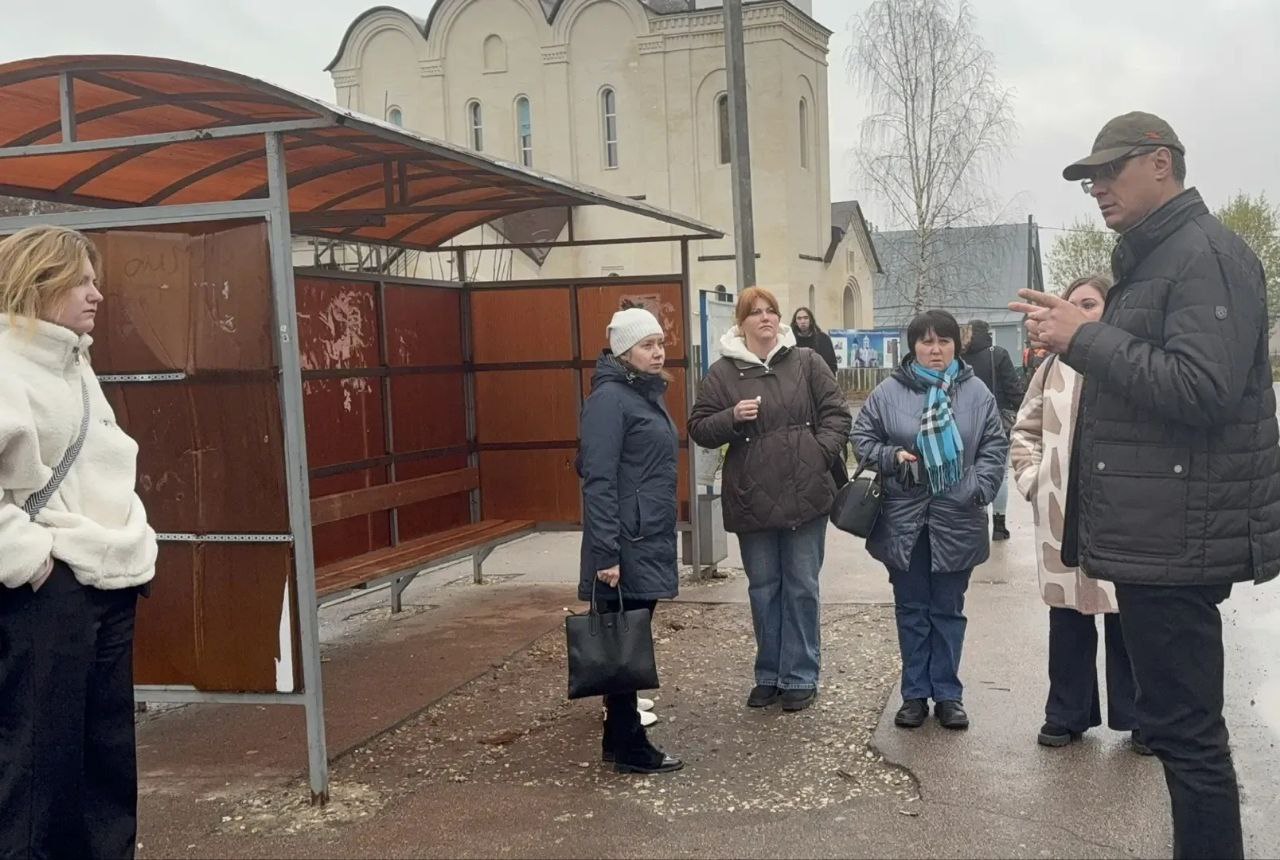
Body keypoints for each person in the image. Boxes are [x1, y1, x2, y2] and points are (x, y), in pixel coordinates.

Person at [1011, 111, 1280, 860]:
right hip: (1155, 534)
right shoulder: (1157, 258)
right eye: (1089, 176)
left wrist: (1084, 338)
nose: (1096, 187)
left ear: (1161, 163)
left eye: (1109, 170)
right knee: (1177, 735)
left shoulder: (1204, 256)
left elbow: (1204, 388)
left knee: (1189, 743)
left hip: (1177, 539)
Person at [0, 225, 158, 859]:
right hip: (47, 588)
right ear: (40, 282)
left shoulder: (74, 360)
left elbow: (104, 462)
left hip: (108, 578)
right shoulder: (8, 365)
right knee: (39, 760)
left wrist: (131, 538)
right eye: (83, 280)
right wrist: (32, 562)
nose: (98, 292)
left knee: (107, 754)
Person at [689, 287, 851, 712]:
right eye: (755, 313)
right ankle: (768, 674)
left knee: (801, 586)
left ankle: (800, 675)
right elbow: (699, 427)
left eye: (771, 311)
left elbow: (837, 414)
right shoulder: (722, 372)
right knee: (763, 589)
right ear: (740, 323)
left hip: (805, 493)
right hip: (751, 497)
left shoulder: (807, 362)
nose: (765, 318)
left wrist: (818, 454)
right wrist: (730, 417)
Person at [1009, 274, 1148, 754]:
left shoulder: (1132, 364)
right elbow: (1023, 430)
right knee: (1067, 618)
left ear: (1111, 310)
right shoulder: (1052, 369)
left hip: (1122, 518)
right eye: (1072, 304)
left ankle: (1139, 719)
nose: (1080, 311)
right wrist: (1034, 481)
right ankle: (1066, 713)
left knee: (1126, 619)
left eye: (1090, 303)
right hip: (1060, 516)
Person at [851, 310, 1007, 731]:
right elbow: (861, 438)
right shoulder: (888, 392)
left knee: (948, 611)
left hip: (957, 516)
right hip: (905, 520)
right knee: (912, 610)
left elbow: (995, 444)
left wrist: (977, 487)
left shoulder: (977, 393)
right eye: (925, 341)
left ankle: (949, 695)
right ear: (913, 346)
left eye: (943, 341)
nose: (934, 350)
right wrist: (891, 457)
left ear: (957, 345)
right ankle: (914, 695)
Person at [577, 306, 683, 774]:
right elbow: (597, 479)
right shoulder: (611, 400)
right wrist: (606, 553)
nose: (657, 352)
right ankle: (630, 747)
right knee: (624, 641)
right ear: (624, 350)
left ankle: (616, 739)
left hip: (645, 533)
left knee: (628, 638)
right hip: (624, 540)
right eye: (647, 344)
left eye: (660, 343)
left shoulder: (639, 393)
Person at [960, 319, 1024, 541]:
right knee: (1000, 473)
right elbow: (1013, 389)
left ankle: (978, 520)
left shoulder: (958, 358)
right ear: (987, 333)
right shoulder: (998, 354)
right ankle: (999, 526)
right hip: (996, 420)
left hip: (965, 422)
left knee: (969, 470)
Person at [790, 306, 838, 374]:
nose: (802, 321)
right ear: (795, 322)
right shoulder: (790, 340)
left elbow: (832, 365)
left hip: (819, 380)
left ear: (811, 320)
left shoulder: (823, 339)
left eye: (806, 318)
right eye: (799, 318)